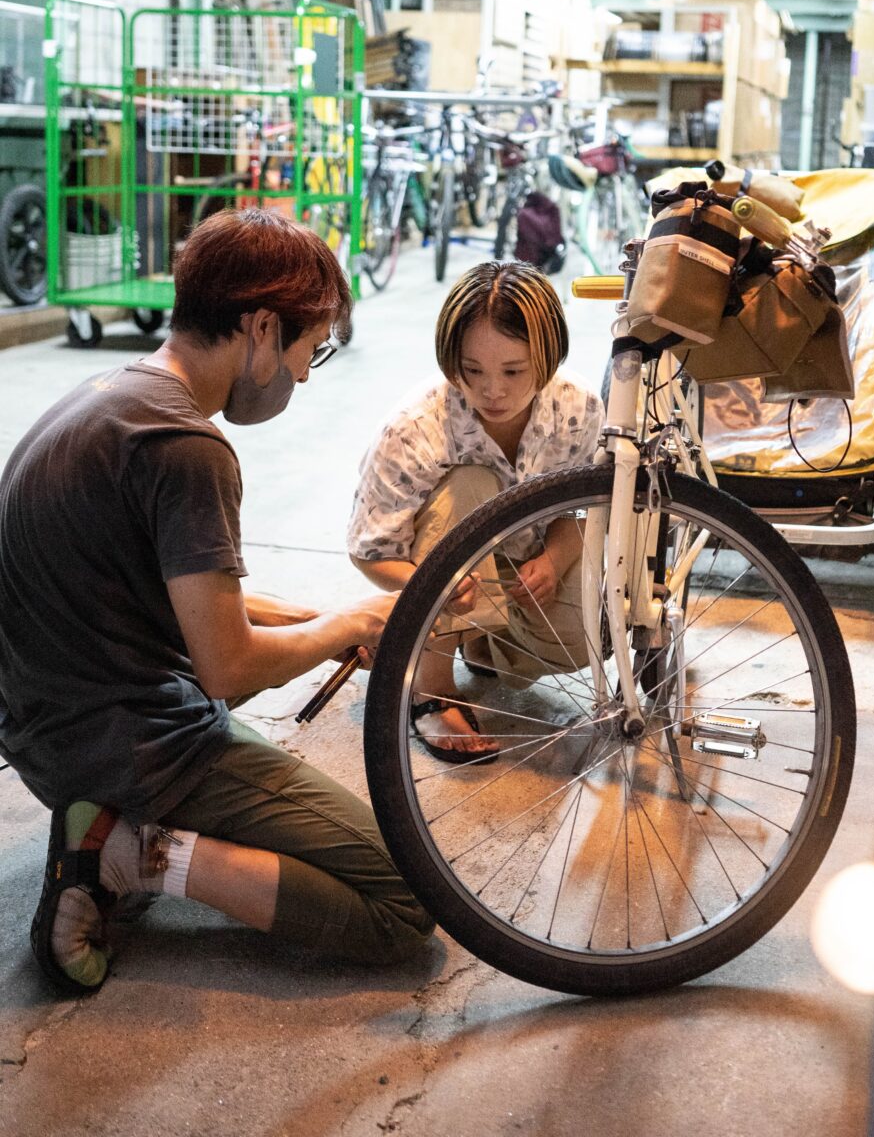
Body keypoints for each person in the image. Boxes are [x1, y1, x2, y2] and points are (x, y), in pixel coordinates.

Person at [0, 209, 433, 996]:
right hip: (133, 749)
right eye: (311, 349)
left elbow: (183, 597)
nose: (306, 375)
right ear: (263, 328)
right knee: (405, 902)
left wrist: (321, 625)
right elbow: (226, 666)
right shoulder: (187, 448)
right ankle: (133, 855)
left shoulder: (113, 395)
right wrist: (352, 620)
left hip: (48, 730)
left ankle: (106, 827)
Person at [348, 261, 603, 762]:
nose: (493, 391)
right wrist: (433, 585)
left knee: (579, 642)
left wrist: (554, 561)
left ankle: (480, 642)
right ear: (451, 361)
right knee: (471, 481)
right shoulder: (415, 427)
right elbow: (371, 551)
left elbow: (584, 511)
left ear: (548, 357)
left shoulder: (579, 409)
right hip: (438, 564)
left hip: (524, 564)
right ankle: (430, 689)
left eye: (514, 371)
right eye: (473, 371)